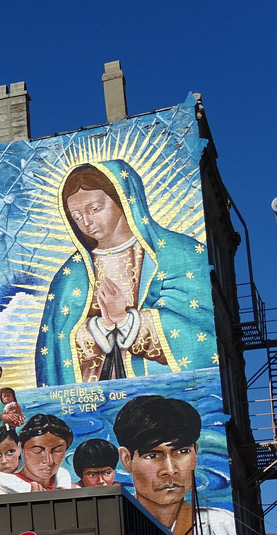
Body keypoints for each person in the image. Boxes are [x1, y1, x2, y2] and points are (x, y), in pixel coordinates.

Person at [35, 161, 216, 386]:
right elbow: (57, 348)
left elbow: (201, 328)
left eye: (94, 208)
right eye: (77, 216)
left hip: (163, 395)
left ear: (122, 200)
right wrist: (102, 326)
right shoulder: (70, 276)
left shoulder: (178, 254)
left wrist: (126, 319)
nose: (87, 222)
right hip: (98, 401)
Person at [113, 395, 236, 535]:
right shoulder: (114, 530)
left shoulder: (224, 528)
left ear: (195, 452)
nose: (170, 470)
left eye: (182, 451)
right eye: (153, 455)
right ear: (127, 459)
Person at [0, 414, 75, 493]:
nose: (49, 461)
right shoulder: (0, 492)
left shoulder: (69, 487)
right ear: (21, 447)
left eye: (58, 450)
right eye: (37, 451)